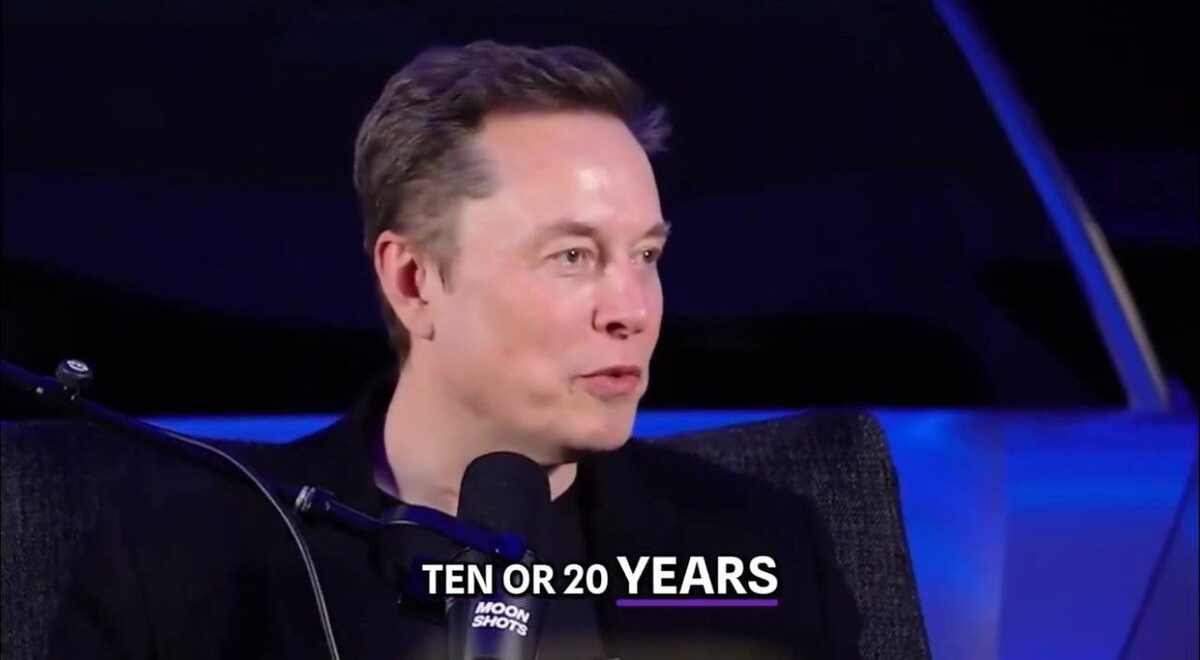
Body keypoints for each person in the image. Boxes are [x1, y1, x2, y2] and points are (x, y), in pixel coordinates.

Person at [48, 40, 862, 659]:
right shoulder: (183, 564)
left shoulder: (762, 551)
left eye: (645, 255)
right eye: (573, 256)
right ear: (414, 281)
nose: (633, 310)